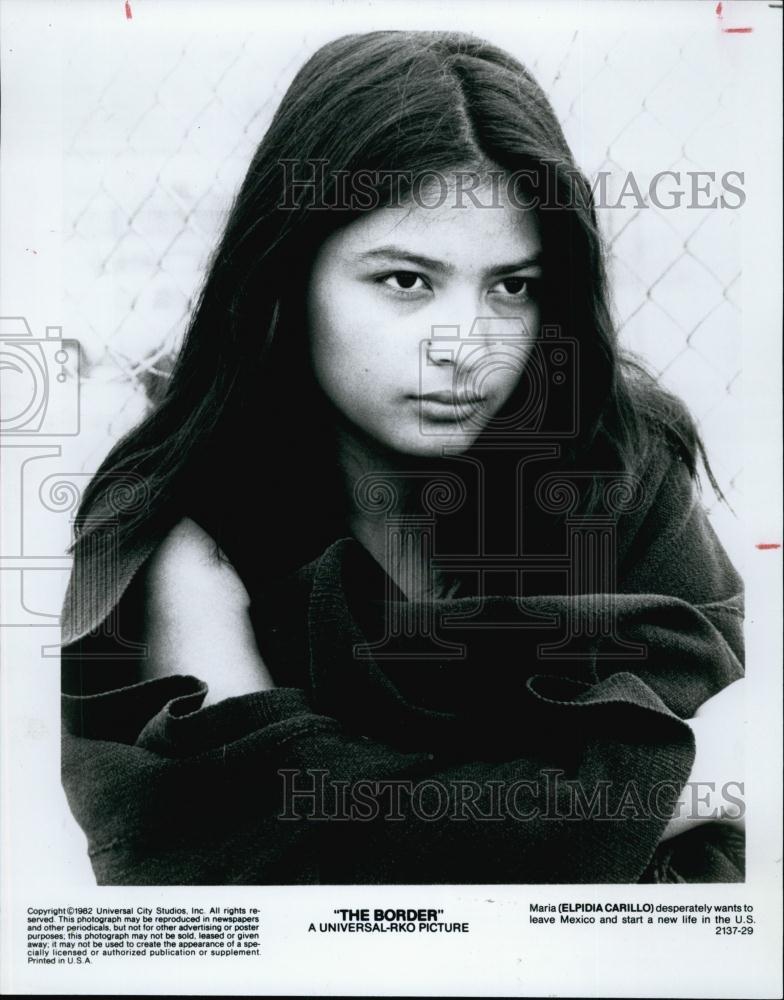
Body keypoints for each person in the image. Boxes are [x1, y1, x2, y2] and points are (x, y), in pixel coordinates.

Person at [60, 30, 745, 885]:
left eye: (513, 286)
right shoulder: (184, 520)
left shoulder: (616, 461)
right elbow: (272, 845)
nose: (470, 349)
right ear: (287, 271)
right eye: (406, 281)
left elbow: (725, 760)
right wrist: (636, 803)